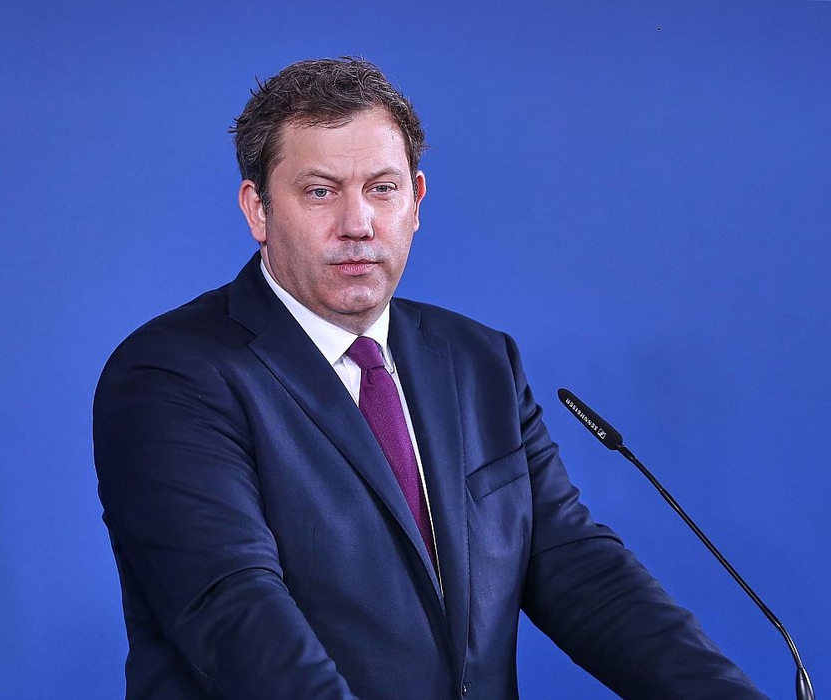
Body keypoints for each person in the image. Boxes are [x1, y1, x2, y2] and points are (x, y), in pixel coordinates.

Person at [93, 57, 764, 700]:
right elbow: (235, 612)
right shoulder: (170, 375)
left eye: (381, 189)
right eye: (320, 191)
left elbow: (578, 571)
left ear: (414, 200)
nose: (358, 225)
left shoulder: (479, 361)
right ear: (258, 210)